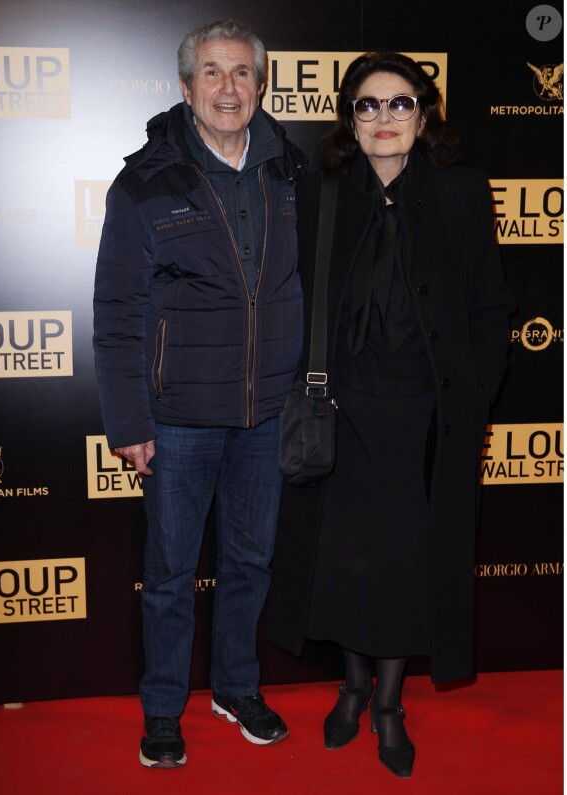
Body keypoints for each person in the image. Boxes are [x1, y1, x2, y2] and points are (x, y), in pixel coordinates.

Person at [264, 51, 514, 778]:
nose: (383, 119)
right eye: (367, 106)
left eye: (398, 104)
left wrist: (475, 394)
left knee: (406, 565)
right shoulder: (322, 192)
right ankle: (349, 688)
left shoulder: (463, 193)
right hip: (342, 413)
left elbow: (490, 304)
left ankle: (389, 705)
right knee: (345, 562)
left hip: (424, 419)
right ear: (350, 118)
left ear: (424, 112)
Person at [93, 19, 307, 768]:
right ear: (186, 88)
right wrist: (128, 419)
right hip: (177, 419)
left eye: (242, 72)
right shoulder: (146, 181)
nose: (228, 87)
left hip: (266, 413)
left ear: (261, 85)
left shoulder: (290, 170)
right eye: (211, 73)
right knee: (171, 574)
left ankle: (235, 686)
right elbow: (117, 310)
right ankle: (161, 708)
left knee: (252, 562)